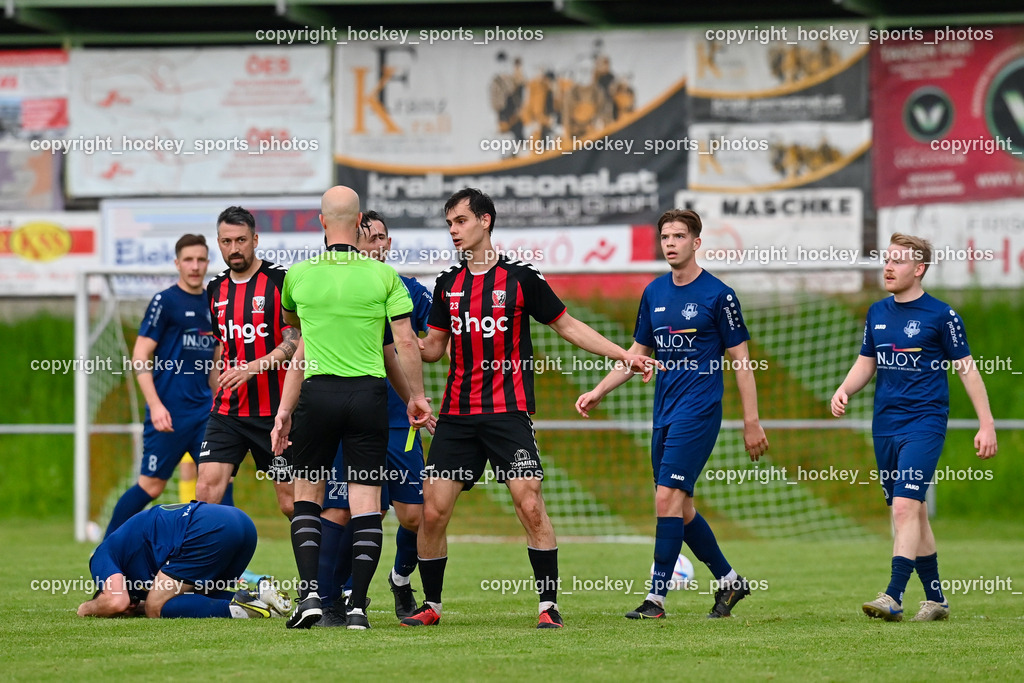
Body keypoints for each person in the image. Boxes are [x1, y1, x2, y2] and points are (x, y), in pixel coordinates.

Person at [403, 188, 655, 630]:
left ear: (485, 221)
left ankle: (548, 606)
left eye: (460, 221)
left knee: (530, 505)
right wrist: (395, 338)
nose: (453, 231)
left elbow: (569, 326)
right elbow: (432, 350)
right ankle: (432, 605)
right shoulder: (447, 284)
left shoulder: (521, 279)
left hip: (509, 414)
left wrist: (623, 355)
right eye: (449, 224)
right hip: (457, 417)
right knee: (433, 511)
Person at [575, 208, 769, 620]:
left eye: (679, 236)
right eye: (665, 237)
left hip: (698, 411)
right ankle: (730, 581)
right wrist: (598, 390)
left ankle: (656, 599)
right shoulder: (654, 293)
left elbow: (742, 361)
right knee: (679, 508)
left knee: (665, 497)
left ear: (696, 243)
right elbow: (636, 357)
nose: (670, 243)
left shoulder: (719, 295)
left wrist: (751, 421)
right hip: (663, 413)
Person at [272, 186, 431, 630]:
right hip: (368, 398)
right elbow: (401, 343)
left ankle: (311, 600)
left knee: (309, 498)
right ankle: (359, 607)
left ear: (321, 221)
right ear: (359, 221)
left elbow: (300, 346)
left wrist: (284, 412)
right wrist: (416, 397)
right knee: (366, 503)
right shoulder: (384, 279)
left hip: (318, 395)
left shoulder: (298, 276)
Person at [831, 232, 997, 622]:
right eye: (886, 259)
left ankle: (893, 596)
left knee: (905, 507)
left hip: (924, 423)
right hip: (884, 425)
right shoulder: (877, 312)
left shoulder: (942, 315)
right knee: (912, 511)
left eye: (898, 261)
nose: (887, 267)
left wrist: (986, 424)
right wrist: (845, 388)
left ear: (919, 268)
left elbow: (968, 371)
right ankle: (936, 599)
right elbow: (866, 362)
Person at [315, 211, 435, 625]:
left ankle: (400, 579)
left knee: (415, 515)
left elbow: (432, 345)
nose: (376, 244)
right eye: (368, 238)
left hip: (400, 419)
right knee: (349, 509)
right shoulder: (336, 287)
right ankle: (337, 592)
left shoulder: (411, 291)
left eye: (382, 237)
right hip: (349, 413)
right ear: (354, 242)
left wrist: (415, 354)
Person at [103, 234, 217, 538]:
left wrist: (219, 406)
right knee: (152, 485)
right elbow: (140, 355)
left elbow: (216, 362)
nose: (195, 266)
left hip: (205, 414)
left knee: (217, 480)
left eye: (201, 259)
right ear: (177, 264)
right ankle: (107, 547)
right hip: (168, 413)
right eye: (188, 260)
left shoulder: (214, 303)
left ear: (208, 262)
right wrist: (155, 405)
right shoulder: (165, 302)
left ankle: (221, 559)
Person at [195, 206, 298, 519]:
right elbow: (222, 345)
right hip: (229, 412)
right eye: (226, 241)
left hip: (276, 412)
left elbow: (294, 342)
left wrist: (255, 366)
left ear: (255, 239)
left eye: (241, 240)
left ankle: (325, 567)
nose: (234, 248)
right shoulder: (215, 289)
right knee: (206, 493)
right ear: (218, 242)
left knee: (291, 503)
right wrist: (218, 379)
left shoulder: (280, 281)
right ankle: (208, 568)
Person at [80, 501, 291, 619]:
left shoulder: (101, 556)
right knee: (197, 594)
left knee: (156, 607)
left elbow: (116, 601)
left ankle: (241, 611)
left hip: (209, 529)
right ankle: (260, 597)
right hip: (241, 523)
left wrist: (87, 609)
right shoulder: (133, 562)